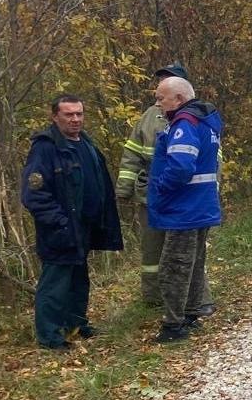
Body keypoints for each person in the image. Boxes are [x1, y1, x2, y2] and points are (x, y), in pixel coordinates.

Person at [21, 95, 123, 350]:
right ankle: (50, 338)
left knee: (79, 278)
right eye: (69, 115)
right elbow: (34, 194)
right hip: (60, 229)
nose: (75, 119)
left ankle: (76, 324)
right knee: (55, 283)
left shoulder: (86, 143)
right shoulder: (45, 148)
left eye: (79, 114)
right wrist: (60, 222)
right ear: (55, 116)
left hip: (85, 227)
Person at [116, 64, 213, 314]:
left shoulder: (194, 118)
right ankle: (153, 297)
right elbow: (132, 153)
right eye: (160, 85)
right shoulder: (149, 117)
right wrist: (124, 189)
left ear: (180, 91)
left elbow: (205, 162)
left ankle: (193, 303)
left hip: (181, 199)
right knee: (152, 252)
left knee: (184, 254)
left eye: (167, 84)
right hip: (151, 196)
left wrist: (205, 191)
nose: (159, 97)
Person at [149, 76, 224, 343]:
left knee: (174, 266)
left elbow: (181, 166)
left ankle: (173, 325)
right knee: (193, 263)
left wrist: (160, 187)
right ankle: (191, 314)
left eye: (161, 98)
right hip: (200, 206)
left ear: (178, 99)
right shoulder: (205, 120)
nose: (157, 104)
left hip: (184, 209)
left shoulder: (184, 123)